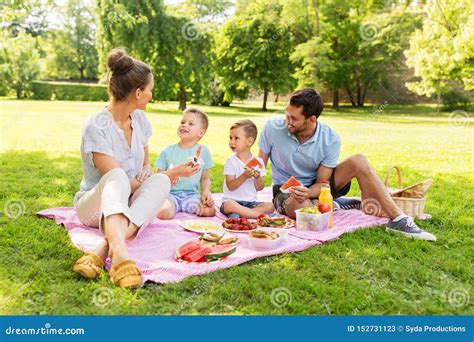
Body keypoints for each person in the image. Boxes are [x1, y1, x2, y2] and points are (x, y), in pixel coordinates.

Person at [72, 48, 198, 288]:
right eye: (150, 89)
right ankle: (119, 252)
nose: (152, 94)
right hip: (95, 208)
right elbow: (118, 181)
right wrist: (172, 173)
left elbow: (145, 165)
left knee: (161, 182)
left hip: (128, 204)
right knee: (119, 175)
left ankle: (104, 249)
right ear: (139, 93)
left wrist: (154, 173)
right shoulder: (96, 126)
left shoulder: (141, 121)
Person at [258, 88, 436, 241]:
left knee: (358, 160)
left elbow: (322, 183)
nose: (287, 121)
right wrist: (252, 174)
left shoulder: (330, 139)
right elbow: (259, 166)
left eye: (293, 118)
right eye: (286, 114)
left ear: (311, 119)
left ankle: (399, 220)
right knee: (305, 214)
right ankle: (337, 205)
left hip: (319, 187)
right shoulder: (272, 129)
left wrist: (310, 192)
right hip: (285, 190)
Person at [155, 107, 216, 219]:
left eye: (190, 124)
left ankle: (190, 208)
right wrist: (170, 178)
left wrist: (206, 192)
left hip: (191, 196)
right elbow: (158, 177)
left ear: (201, 133)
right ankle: (173, 208)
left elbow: (205, 178)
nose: (184, 125)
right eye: (182, 122)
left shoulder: (203, 151)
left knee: (210, 211)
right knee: (164, 213)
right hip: (170, 195)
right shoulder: (167, 151)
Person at [220, 120, 274, 218]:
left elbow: (260, 187)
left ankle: (245, 214)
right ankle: (258, 215)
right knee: (230, 205)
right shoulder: (231, 161)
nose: (231, 142)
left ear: (249, 141)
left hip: (250, 204)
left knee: (270, 206)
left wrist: (258, 178)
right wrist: (244, 176)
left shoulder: (258, 162)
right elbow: (230, 186)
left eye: (236, 138)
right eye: (230, 138)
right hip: (233, 202)